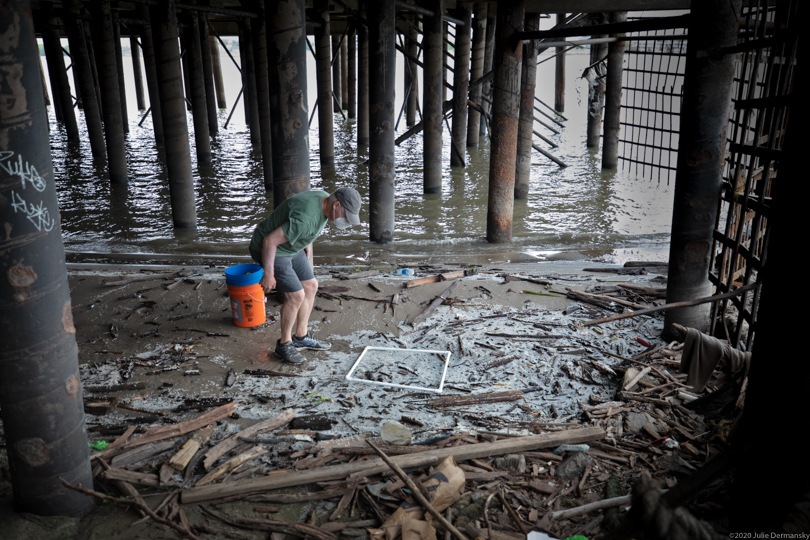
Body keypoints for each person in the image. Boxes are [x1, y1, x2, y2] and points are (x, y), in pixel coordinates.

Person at [249, 187, 361, 363]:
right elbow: (269, 241)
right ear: (336, 205)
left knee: (311, 286)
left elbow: (296, 214)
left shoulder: (325, 198)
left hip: (292, 245)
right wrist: (269, 274)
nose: (345, 221)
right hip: (272, 249)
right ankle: (284, 344)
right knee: (296, 296)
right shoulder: (306, 220)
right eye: (346, 216)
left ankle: (301, 337)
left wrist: (307, 241)